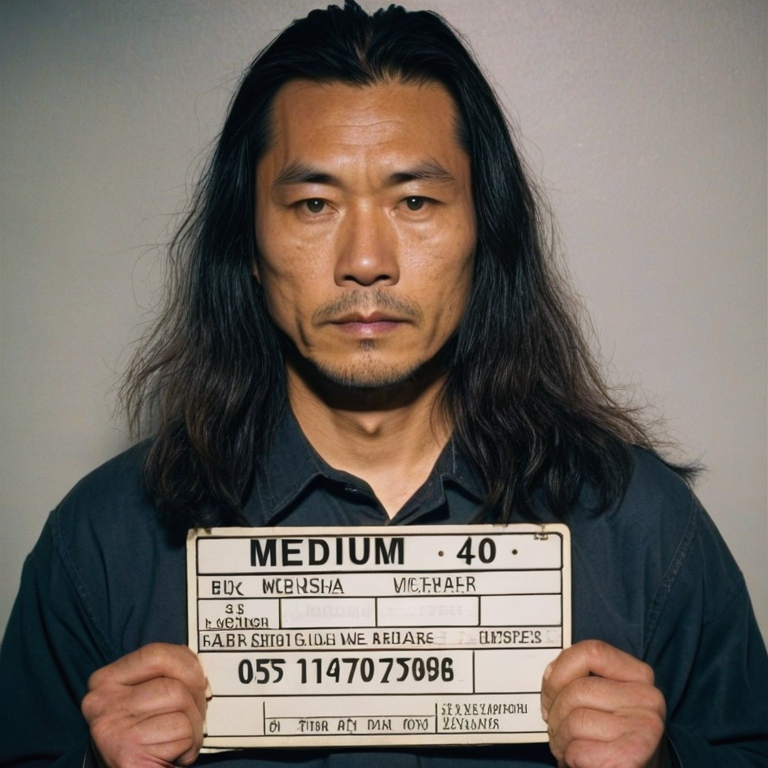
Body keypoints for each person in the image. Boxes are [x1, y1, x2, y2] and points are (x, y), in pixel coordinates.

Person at [1, 1, 766, 767]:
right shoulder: (101, 542)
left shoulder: (644, 529)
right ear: (247, 239)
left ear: (485, 230)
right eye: (313, 204)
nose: (366, 260)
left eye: (415, 201)